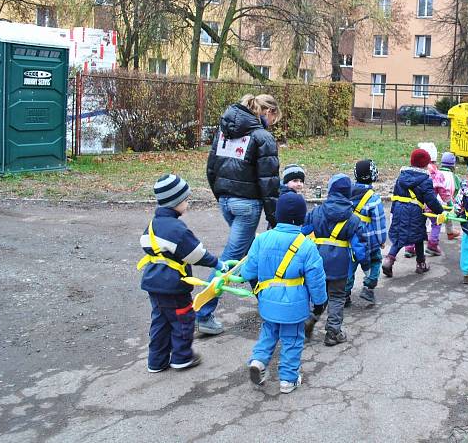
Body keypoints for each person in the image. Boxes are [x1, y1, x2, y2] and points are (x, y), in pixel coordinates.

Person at [201, 93, 281, 335]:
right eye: (275, 118)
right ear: (268, 112)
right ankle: (202, 312)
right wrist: (273, 217)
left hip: (226, 201)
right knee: (229, 261)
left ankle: (267, 303)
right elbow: (269, 182)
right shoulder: (262, 137)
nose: (274, 123)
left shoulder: (224, 131)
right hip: (247, 206)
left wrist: (222, 196)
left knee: (249, 252)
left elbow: (211, 168)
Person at [241, 193, 328, 394]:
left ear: (277, 215)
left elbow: (248, 271)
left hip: (268, 300)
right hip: (294, 305)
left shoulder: (262, 239)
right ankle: (288, 379)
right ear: (302, 218)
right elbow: (316, 277)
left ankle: (258, 360)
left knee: (268, 332)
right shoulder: (306, 245)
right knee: (292, 339)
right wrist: (320, 301)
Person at [138, 174, 225, 373]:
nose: (187, 204)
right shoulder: (176, 228)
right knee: (183, 319)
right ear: (175, 202)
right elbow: (196, 254)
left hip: (153, 281)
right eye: (185, 200)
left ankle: (156, 361)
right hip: (173, 284)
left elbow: (145, 243)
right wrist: (217, 263)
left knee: (160, 322)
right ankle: (182, 357)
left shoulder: (153, 224)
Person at [303, 174, 367, 346]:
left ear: (330, 191)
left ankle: (309, 320)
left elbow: (301, 234)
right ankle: (333, 332)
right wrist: (366, 264)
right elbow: (359, 247)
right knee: (337, 297)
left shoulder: (316, 212)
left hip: (316, 261)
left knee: (317, 294)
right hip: (339, 265)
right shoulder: (353, 219)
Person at [383, 148, 445, 277]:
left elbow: (395, 194)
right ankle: (418, 264)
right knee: (418, 236)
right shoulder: (425, 179)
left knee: (403, 235)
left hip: (399, 208)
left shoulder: (402, 176)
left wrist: (394, 211)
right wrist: (440, 210)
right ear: (425, 164)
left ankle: (392, 260)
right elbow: (430, 199)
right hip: (414, 211)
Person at [345, 159, 386, 307]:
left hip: (350, 239)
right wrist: (382, 240)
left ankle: (345, 294)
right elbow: (379, 222)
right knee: (375, 261)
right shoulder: (374, 198)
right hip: (369, 241)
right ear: (373, 175)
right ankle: (368, 288)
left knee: (349, 265)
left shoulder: (346, 193)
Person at [405, 143, 444, 257]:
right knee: (436, 223)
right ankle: (432, 245)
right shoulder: (437, 173)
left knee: (415, 225)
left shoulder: (415, 172)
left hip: (417, 205)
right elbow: (442, 190)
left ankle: (409, 247)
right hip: (431, 205)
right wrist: (446, 200)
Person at [439, 152, 462, 241]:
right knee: (448, 215)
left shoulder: (437, 173)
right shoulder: (454, 177)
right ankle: (450, 233)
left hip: (434, 202)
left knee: (435, 219)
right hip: (447, 202)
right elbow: (458, 189)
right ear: (453, 165)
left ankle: (428, 231)